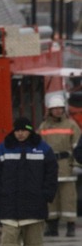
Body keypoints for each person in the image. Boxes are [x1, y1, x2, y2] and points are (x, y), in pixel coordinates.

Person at [0, 117, 57, 246]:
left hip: (35, 204)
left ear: (29, 131)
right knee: (8, 242)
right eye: (17, 130)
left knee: (33, 244)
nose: (20, 134)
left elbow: (51, 172)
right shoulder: (4, 148)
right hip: (10, 204)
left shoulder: (42, 149)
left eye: (23, 130)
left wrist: (47, 194)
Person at [37, 91, 82, 237]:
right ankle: (52, 227)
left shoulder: (71, 125)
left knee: (68, 198)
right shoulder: (43, 127)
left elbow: (77, 147)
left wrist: (77, 165)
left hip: (66, 166)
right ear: (50, 110)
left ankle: (70, 227)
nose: (58, 110)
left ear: (64, 109)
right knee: (51, 199)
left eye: (60, 108)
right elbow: (38, 148)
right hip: (49, 167)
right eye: (55, 108)